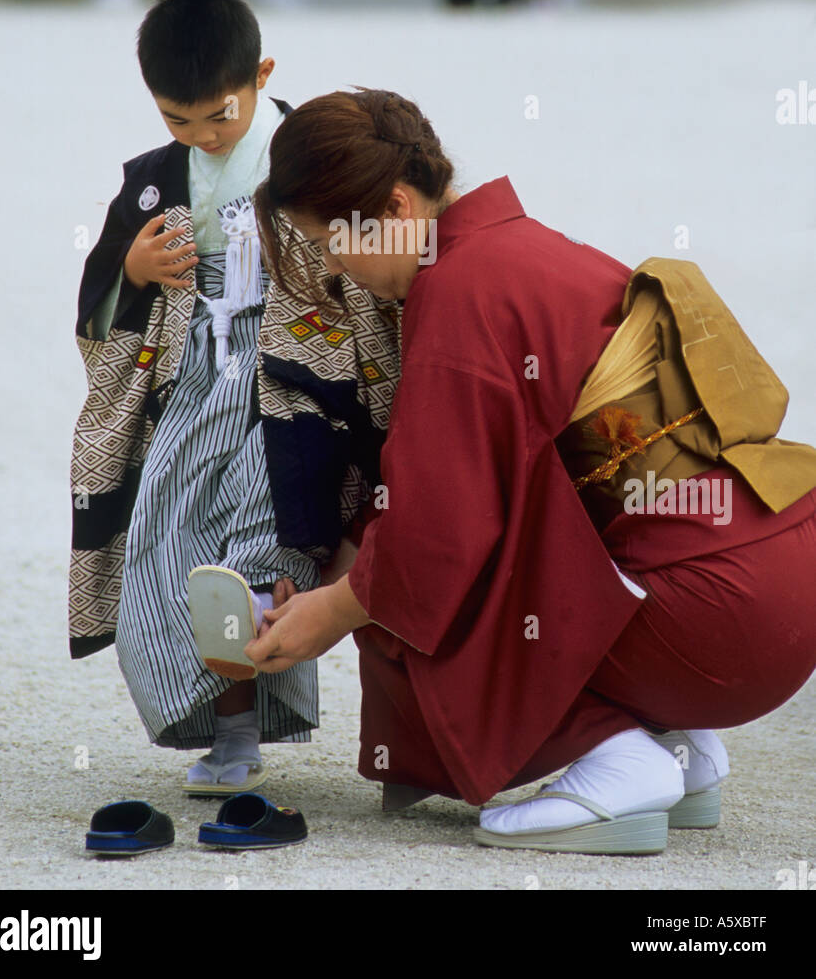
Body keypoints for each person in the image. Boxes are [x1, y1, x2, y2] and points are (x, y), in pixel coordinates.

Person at [193, 88, 816, 854]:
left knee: (410, 609)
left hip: (707, 620)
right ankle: (681, 752)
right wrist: (334, 590)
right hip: (775, 585)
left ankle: (616, 761)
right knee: (421, 564)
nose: (335, 268)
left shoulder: (461, 288)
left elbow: (438, 538)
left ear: (391, 207)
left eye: (331, 242)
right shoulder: (528, 249)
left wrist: (337, 612)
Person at [69, 0, 320, 796]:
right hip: (191, 373)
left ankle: (246, 725)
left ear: (262, 75)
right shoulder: (152, 178)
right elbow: (104, 283)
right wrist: (133, 270)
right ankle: (223, 725)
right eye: (178, 120)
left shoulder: (308, 151)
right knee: (171, 537)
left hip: (292, 375)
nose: (203, 136)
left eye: (221, 114)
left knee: (254, 543)